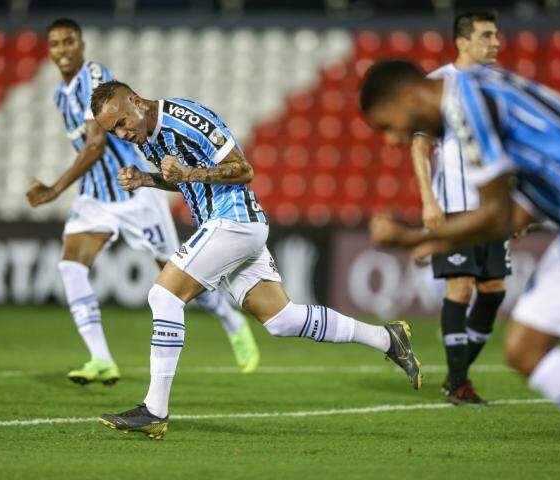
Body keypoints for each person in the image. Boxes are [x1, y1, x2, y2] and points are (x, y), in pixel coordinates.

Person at [88, 79, 422, 439]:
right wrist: (147, 180)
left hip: (234, 221)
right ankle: (387, 339)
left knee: (164, 295)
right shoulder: (147, 137)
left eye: (122, 122)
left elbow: (243, 170)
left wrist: (190, 173)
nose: (122, 134)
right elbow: (183, 181)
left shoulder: (186, 119)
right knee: (282, 319)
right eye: (114, 131)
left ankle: (154, 410)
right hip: (228, 226)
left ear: (136, 101)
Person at [361, 59, 560, 429]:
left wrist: (410, 237)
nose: (394, 140)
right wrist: (440, 242)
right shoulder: (479, 89)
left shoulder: (466, 103)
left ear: (408, 95)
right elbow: (517, 214)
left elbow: (496, 214)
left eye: (388, 126)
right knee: (525, 347)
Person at [25, 18, 260, 385]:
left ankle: (231, 321)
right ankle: (101, 358)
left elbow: (94, 144)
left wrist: (55, 190)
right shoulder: (60, 94)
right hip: (96, 196)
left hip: (134, 195)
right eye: (54, 44)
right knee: (70, 265)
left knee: (174, 272)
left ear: (81, 44)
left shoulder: (96, 77)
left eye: (69, 41)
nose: (62, 50)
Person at [411, 12, 507, 405]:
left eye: (496, 35)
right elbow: (419, 145)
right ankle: (460, 383)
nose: (496, 42)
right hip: (453, 206)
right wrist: (427, 200)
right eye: (486, 36)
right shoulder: (438, 84)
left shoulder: (500, 86)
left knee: (494, 291)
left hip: (492, 208)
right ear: (463, 42)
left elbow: (507, 151)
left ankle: (457, 375)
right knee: (461, 285)